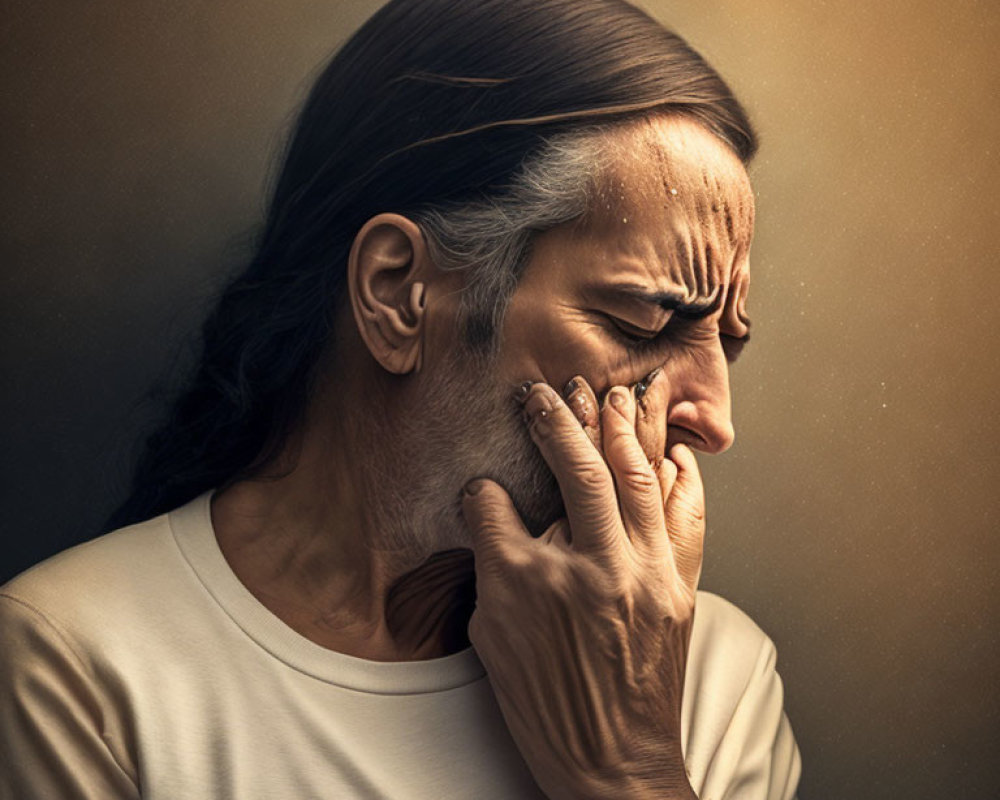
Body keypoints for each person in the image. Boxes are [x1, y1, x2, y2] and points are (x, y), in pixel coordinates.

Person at [0, 0, 801, 797]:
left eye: (726, 345)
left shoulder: (711, 684)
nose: (714, 421)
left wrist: (631, 764)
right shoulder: (75, 669)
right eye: (643, 322)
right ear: (399, 293)